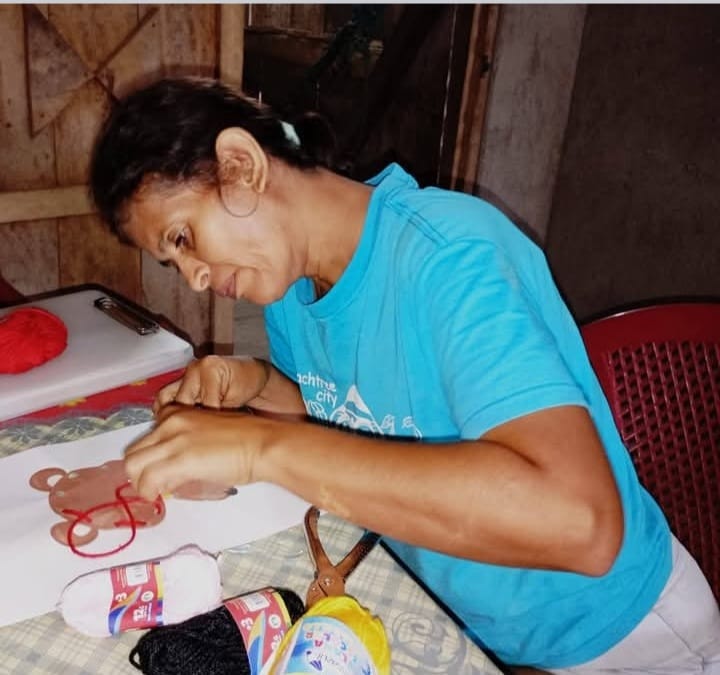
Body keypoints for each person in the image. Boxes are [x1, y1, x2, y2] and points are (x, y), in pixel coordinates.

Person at [89, 77, 720, 674]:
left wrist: (262, 447)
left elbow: (581, 525)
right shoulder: (289, 290)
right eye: (173, 262)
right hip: (491, 632)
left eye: (183, 238)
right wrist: (254, 382)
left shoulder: (449, 258)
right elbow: (352, 419)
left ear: (241, 165)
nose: (195, 277)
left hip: (628, 637)